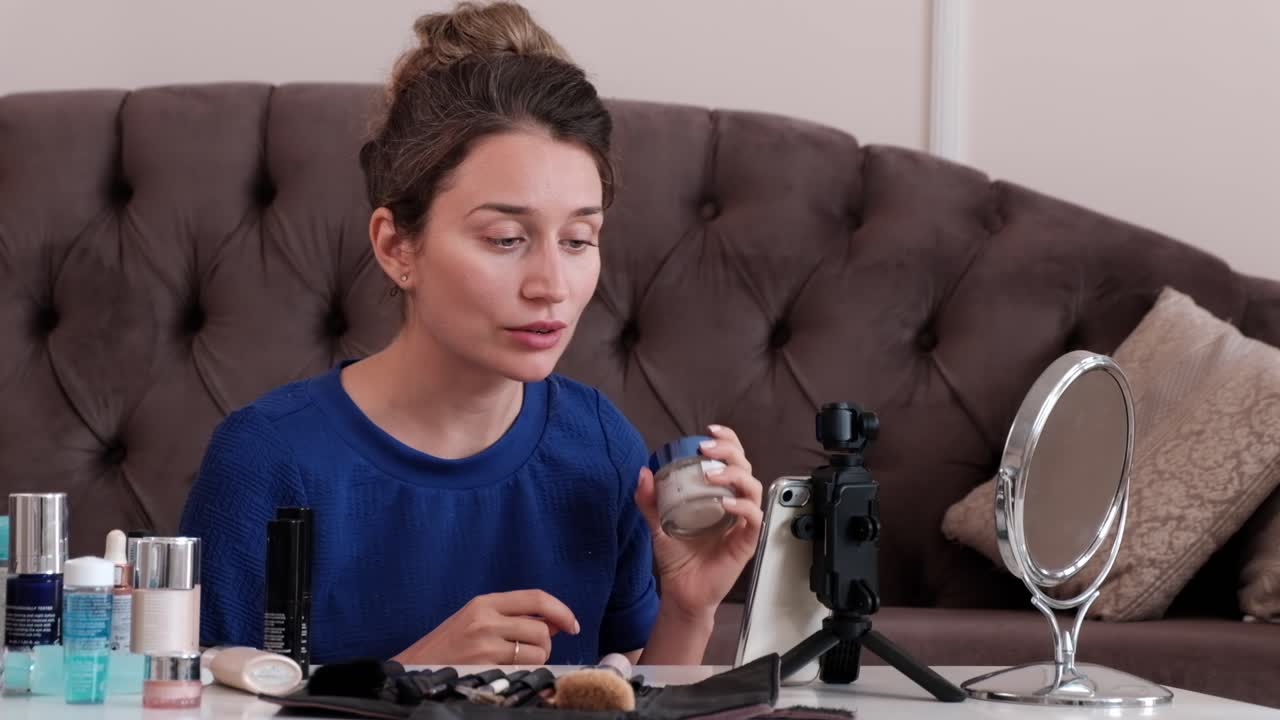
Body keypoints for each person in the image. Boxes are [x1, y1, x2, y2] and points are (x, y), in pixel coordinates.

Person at [177, 1, 763, 667]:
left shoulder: (600, 448)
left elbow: (634, 700)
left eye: (578, 239)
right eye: (507, 238)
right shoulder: (267, 460)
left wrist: (690, 608)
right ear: (397, 246)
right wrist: (410, 680)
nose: (551, 283)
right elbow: (197, 706)